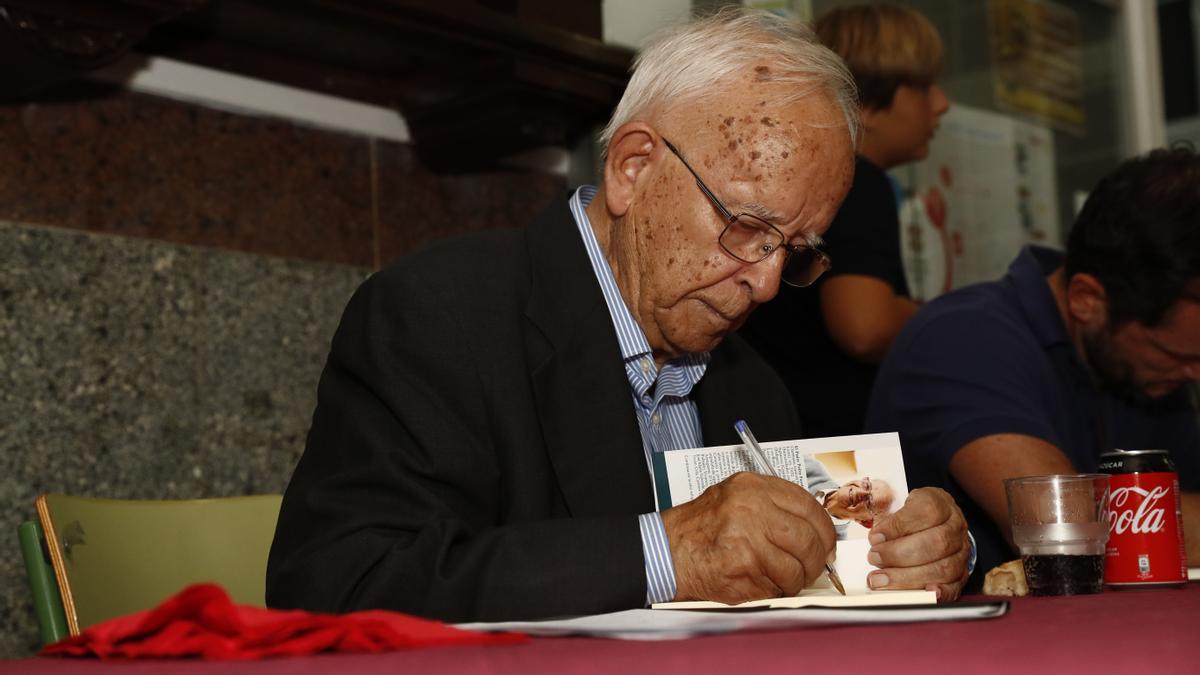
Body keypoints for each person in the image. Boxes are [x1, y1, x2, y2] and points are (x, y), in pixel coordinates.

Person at [266, 9, 971, 623]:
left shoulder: (752, 385)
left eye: (792, 251)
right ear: (634, 167)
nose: (763, 284)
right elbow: (337, 585)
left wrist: (913, 552)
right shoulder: (439, 316)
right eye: (747, 227)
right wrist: (669, 552)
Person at [866, 147, 1200, 585]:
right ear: (1086, 300)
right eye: (1178, 355)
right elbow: (1064, 530)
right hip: (959, 648)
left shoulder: (1146, 371)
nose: (1194, 374)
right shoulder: (962, 338)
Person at [740, 3, 949, 438]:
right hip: (830, 437)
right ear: (866, 102)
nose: (941, 104)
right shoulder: (860, 183)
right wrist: (948, 321)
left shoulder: (796, 178)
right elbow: (863, 326)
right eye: (923, 86)